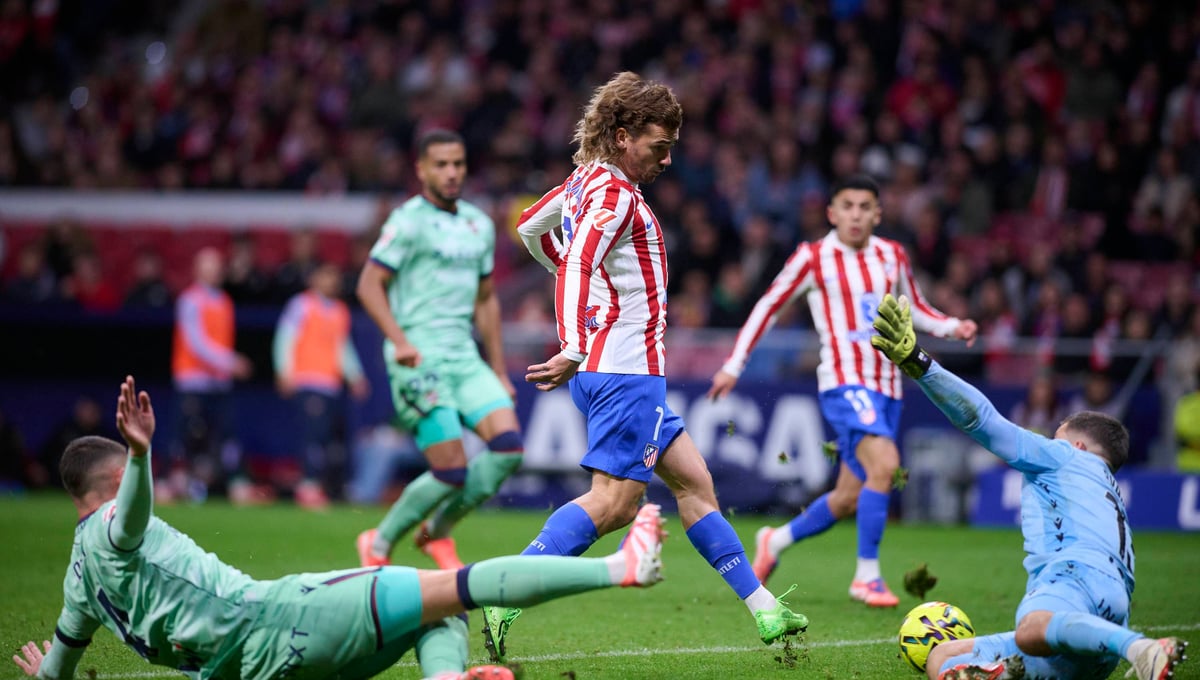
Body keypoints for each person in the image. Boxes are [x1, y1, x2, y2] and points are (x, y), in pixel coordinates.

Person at [11, 376, 666, 680]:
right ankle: (620, 567)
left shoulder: (77, 580)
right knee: (454, 588)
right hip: (279, 619)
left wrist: (45, 673)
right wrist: (142, 455)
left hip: (249, 671)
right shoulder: (114, 527)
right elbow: (128, 521)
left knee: (431, 616)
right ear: (108, 482)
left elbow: (62, 664)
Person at [503, 71, 808, 663]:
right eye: (658, 146)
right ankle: (504, 591)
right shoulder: (614, 195)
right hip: (625, 370)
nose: (667, 159)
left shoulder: (584, 182)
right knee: (616, 503)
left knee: (696, 485)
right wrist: (572, 339)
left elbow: (529, 228)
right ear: (622, 135)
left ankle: (764, 607)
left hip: (617, 369)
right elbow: (576, 267)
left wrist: (581, 316)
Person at [869, 294, 1187, 680]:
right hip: (1105, 614)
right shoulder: (1107, 491)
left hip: (1072, 581)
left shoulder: (1064, 457)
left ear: (1077, 445)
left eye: (1056, 435)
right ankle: (1000, 673)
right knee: (943, 658)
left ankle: (1141, 649)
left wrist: (919, 363)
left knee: (1031, 627)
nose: (1047, 441)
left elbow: (981, 420)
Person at [708, 174, 978, 607]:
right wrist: (733, 364)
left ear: (877, 213)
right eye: (847, 206)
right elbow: (768, 305)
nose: (856, 215)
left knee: (851, 495)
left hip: (888, 385)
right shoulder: (813, 257)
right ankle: (866, 577)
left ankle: (773, 542)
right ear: (832, 213)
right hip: (844, 382)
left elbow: (917, 309)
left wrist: (951, 325)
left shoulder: (892, 255)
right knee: (886, 464)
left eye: (864, 206)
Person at [355, 129, 523, 571]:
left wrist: (500, 370)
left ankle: (437, 531)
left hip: (465, 358)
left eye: (458, 164)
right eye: (442, 165)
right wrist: (400, 340)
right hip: (419, 358)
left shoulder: (478, 224)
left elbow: (486, 300)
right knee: (452, 468)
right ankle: (380, 539)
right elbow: (369, 285)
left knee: (508, 449)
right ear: (422, 169)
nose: (451, 173)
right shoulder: (406, 221)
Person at [273, 261, 370, 508]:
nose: (332, 281)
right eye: (326, 276)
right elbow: (286, 337)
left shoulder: (339, 310)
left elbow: (342, 347)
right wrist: (284, 371)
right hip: (307, 380)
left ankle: (321, 483)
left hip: (330, 384)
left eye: (334, 276)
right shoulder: (301, 305)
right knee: (312, 436)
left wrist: (355, 376)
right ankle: (308, 484)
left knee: (327, 437)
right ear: (314, 279)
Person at [169, 247, 259, 504]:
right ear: (197, 269)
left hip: (218, 383)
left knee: (224, 437)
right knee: (187, 436)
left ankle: (232, 482)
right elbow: (197, 342)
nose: (214, 270)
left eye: (217, 265)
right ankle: (179, 483)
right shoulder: (190, 300)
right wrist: (231, 362)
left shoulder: (224, 301)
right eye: (208, 265)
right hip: (193, 381)